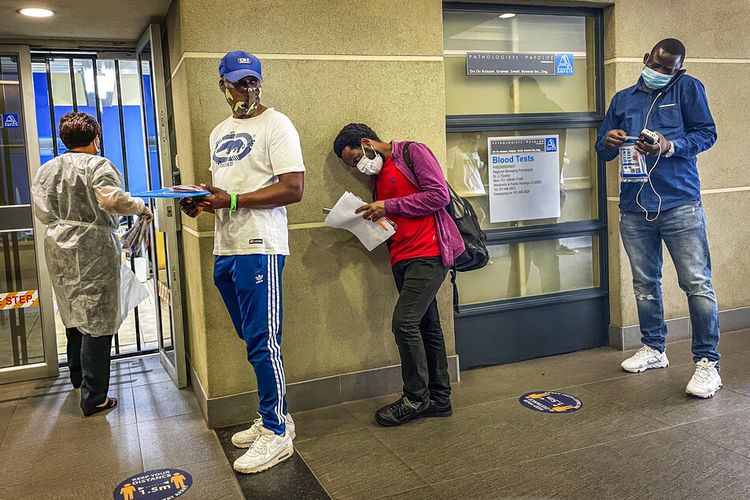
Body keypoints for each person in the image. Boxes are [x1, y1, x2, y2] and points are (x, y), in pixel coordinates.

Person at [179, 51, 305, 473]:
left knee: (264, 340)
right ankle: (273, 413)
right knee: (253, 340)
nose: (247, 89)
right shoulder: (219, 132)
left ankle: (277, 430)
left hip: (260, 246)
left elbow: (293, 188)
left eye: (253, 81)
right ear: (223, 85)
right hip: (226, 246)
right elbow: (230, 190)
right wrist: (204, 201)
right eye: (238, 82)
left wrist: (230, 199)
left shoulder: (277, 124)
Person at [595, 38, 720, 398]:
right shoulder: (623, 98)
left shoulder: (688, 89)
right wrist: (611, 139)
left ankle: (707, 363)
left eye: (669, 69)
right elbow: (602, 147)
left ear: (678, 69)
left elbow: (706, 134)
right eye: (658, 64)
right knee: (644, 283)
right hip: (635, 205)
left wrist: (670, 146)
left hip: (680, 202)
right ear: (646, 58)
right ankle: (654, 348)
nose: (661, 72)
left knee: (696, 284)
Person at [333, 123, 464, 426]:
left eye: (355, 159)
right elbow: (397, 211)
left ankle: (415, 397)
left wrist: (387, 205)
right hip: (401, 256)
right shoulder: (378, 177)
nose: (358, 168)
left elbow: (438, 196)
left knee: (403, 324)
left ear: (366, 143)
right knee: (427, 325)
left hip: (429, 253)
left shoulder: (411, 152)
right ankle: (439, 398)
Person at [31, 112, 152, 416]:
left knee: (72, 311)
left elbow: (40, 206)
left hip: (58, 245)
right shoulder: (98, 166)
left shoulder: (48, 169)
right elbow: (112, 201)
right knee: (98, 321)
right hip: (92, 247)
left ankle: (77, 378)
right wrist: (140, 205)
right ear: (96, 137)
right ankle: (95, 396)